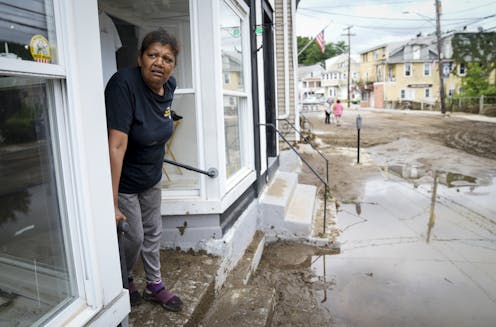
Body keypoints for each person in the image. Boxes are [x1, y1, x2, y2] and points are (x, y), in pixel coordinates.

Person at [105, 29, 183, 312]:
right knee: (133, 235)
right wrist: (112, 201)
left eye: (167, 58)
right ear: (140, 58)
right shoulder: (122, 85)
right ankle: (124, 278)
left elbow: (160, 122)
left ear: (173, 65)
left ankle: (154, 284)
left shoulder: (169, 87)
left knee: (153, 233)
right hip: (125, 179)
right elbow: (117, 144)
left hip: (151, 175)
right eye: (153, 55)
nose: (159, 63)